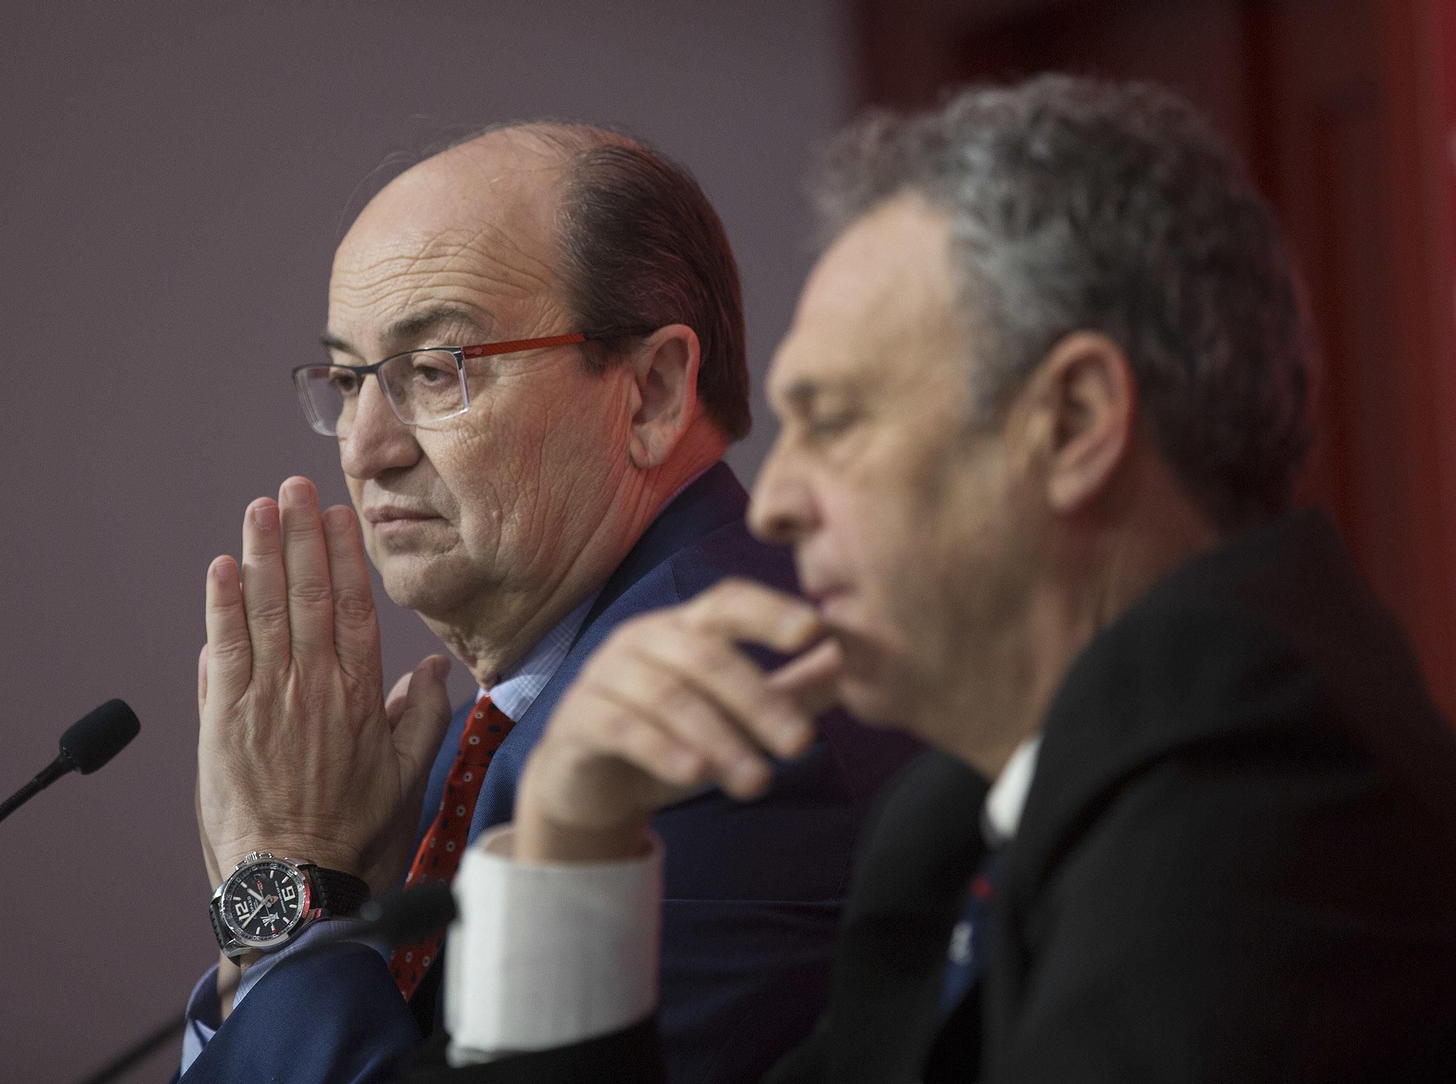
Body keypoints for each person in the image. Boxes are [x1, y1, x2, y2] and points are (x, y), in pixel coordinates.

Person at [405, 77, 1456, 1082]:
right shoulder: (950, 815)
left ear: (1074, 423)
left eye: (836, 421)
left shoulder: (1260, 788)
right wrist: (570, 851)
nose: (773, 504)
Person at [179, 123, 917, 1084]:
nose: (366, 447)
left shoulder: (714, 713)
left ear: (651, 393)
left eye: (435, 369)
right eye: (349, 380)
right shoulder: (474, 737)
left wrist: (288, 884)